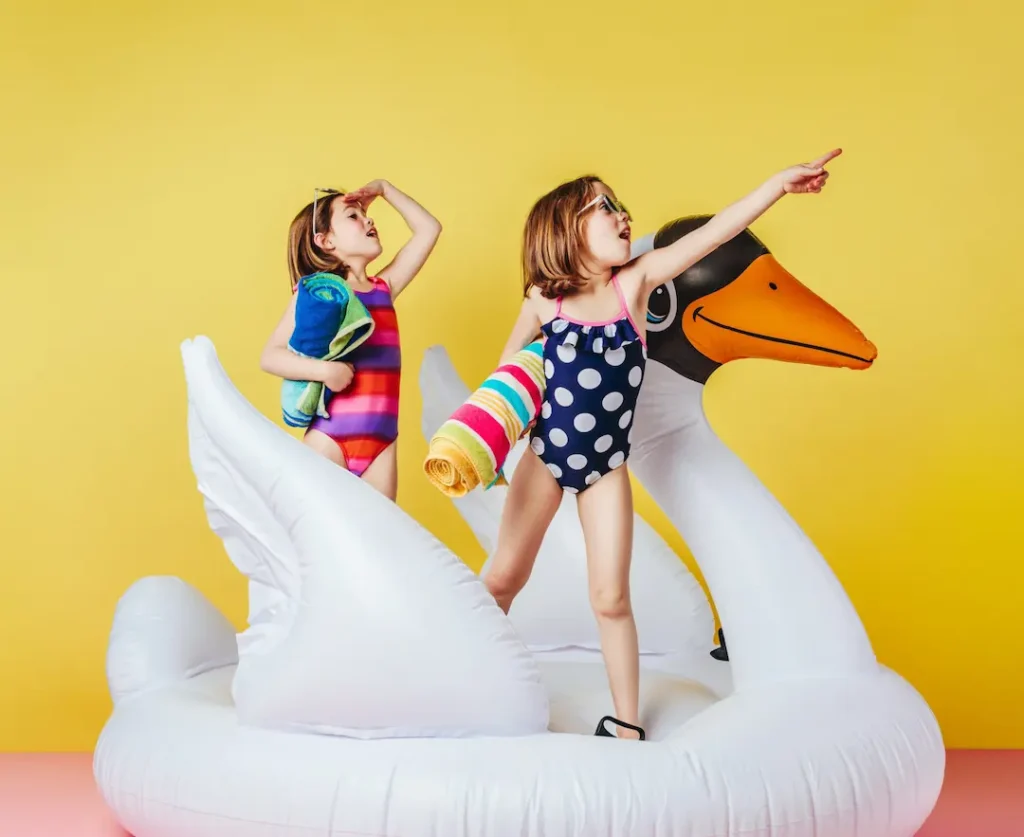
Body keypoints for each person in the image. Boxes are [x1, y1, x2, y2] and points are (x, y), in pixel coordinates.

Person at [484, 149, 841, 739]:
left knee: (611, 597)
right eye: (604, 208)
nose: (623, 216)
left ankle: (626, 724)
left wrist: (775, 185)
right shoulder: (542, 301)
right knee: (502, 579)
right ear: (564, 229)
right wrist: (492, 445)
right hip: (545, 458)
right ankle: (468, 674)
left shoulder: (637, 283)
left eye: (621, 206)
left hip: (605, 467)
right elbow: (506, 380)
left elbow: (713, 233)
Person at [261, 180, 441, 500]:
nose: (369, 220)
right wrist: (325, 372)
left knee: (378, 543)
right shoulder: (319, 295)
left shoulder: (384, 287)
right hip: (329, 439)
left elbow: (429, 228)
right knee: (316, 540)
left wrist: (385, 190)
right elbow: (271, 356)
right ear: (326, 240)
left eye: (365, 214)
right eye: (353, 216)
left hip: (381, 447)